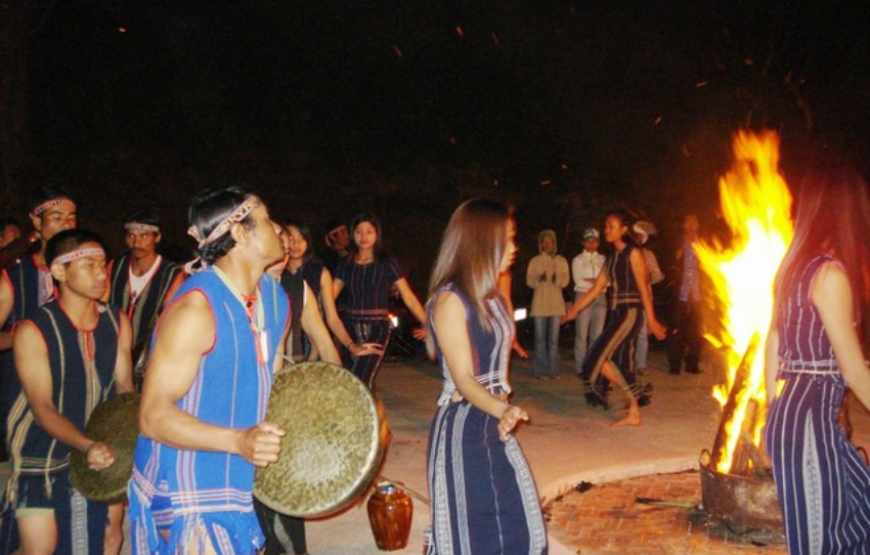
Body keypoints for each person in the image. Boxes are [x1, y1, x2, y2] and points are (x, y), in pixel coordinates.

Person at [128, 186, 290, 555]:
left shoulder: (274, 298)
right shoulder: (195, 310)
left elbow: (271, 384)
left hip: (236, 480)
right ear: (240, 232)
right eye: (265, 219)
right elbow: (153, 417)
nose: (277, 227)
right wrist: (238, 441)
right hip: (185, 488)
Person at [425, 198, 547, 555]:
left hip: (494, 420)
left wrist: (501, 410)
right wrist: (501, 408)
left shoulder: (493, 295)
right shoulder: (450, 300)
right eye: (506, 239)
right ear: (481, 241)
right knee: (471, 532)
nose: (514, 247)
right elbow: (463, 378)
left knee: (517, 520)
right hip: (464, 429)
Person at [3, 229, 134, 555]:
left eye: (103, 264)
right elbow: (42, 407)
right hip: (41, 452)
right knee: (41, 548)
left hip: (101, 444)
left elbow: (125, 391)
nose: (102, 273)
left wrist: (130, 441)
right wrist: (86, 444)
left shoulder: (117, 321)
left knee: (109, 536)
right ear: (59, 271)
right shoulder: (33, 329)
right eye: (88, 264)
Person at [763, 157, 870, 554]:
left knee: (860, 511)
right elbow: (855, 373)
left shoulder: (793, 268)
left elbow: (772, 343)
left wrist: (771, 415)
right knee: (818, 541)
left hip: (798, 417)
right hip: (808, 422)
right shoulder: (829, 275)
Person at [562, 211, 667, 427]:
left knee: (596, 356)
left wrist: (652, 319)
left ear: (623, 229)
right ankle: (633, 407)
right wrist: (573, 311)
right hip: (618, 313)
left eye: (611, 226)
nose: (606, 230)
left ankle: (634, 404)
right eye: (606, 226)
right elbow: (595, 290)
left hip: (631, 312)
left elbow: (644, 289)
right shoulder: (610, 259)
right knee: (621, 361)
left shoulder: (634, 253)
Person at [0, 188, 77, 465]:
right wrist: (25, 337)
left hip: (75, 390)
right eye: (57, 217)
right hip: (23, 393)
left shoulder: (86, 272)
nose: (66, 224)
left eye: (71, 217)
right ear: (36, 222)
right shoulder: (17, 274)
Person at [333, 213, 426, 389]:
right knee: (348, 377)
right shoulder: (345, 264)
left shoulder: (387, 263)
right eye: (359, 232)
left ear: (377, 235)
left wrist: (427, 322)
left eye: (369, 231)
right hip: (349, 326)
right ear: (353, 235)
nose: (364, 236)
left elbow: (408, 297)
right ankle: (362, 413)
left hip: (377, 327)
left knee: (362, 376)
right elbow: (330, 296)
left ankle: (366, 415)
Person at [108, 210, 185, 389]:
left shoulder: (172, 274)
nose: (136, 243)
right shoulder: (115, 267)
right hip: (112, 354)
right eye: (131, 236)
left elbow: (170, 323)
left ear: (156, 238)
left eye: (144, 236)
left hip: (148, 360)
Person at [526, 229, 570, 379]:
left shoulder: (561, 261)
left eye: (549, 241)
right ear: (541, 244)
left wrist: (557, 277)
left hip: (556, 304)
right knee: (539, 339)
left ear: (554, 243)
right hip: (539, 304)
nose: (547, 244)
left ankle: (554, 370)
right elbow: (529, 281)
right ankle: (540, 371)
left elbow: (565, 281)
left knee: (553, 340)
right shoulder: (535, 261)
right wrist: (539, 279)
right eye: (544, 242)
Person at [667, 214, 704, 375]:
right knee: (676, 330)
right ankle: (675, 364)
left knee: (696, 330)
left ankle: (692, 363)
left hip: (697, 294)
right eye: (688, 221)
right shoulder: (677, 242)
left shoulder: (704, 244)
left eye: (694, 221)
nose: (691, 224)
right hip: (680, 292)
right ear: (683, 225)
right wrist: (678, 253)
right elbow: (669, 261)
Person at [571, 228, 607, 377]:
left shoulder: (603, 259)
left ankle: (594, 366)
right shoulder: (578, 260)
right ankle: (581, 368)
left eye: (594, 241)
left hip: (601, 297)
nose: (591, 244)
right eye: (588, 241)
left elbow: (608, 282)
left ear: (598, 243)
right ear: (583, 242)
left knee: (597, 335)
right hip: (583, 296)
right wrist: (597, 282)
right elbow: (578, 280)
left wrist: (598, 283)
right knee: (582, 334)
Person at [631, 221, 664, 376]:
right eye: (635, 236)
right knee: (628, 332)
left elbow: (658, 276)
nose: (637, 239)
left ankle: (641, 364)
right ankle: (627, 363)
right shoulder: (626, 253)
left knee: (643, 333)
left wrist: (648, 277)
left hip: (645, 297)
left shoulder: (648, 255)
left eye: (640, 237)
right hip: (628, 297)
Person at [497, 214, 529, 359]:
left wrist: (512, 334)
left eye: (513, 238)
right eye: (507, 239)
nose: (514, 248)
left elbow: (507, 302)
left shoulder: (504, 275)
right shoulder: (465, 278)